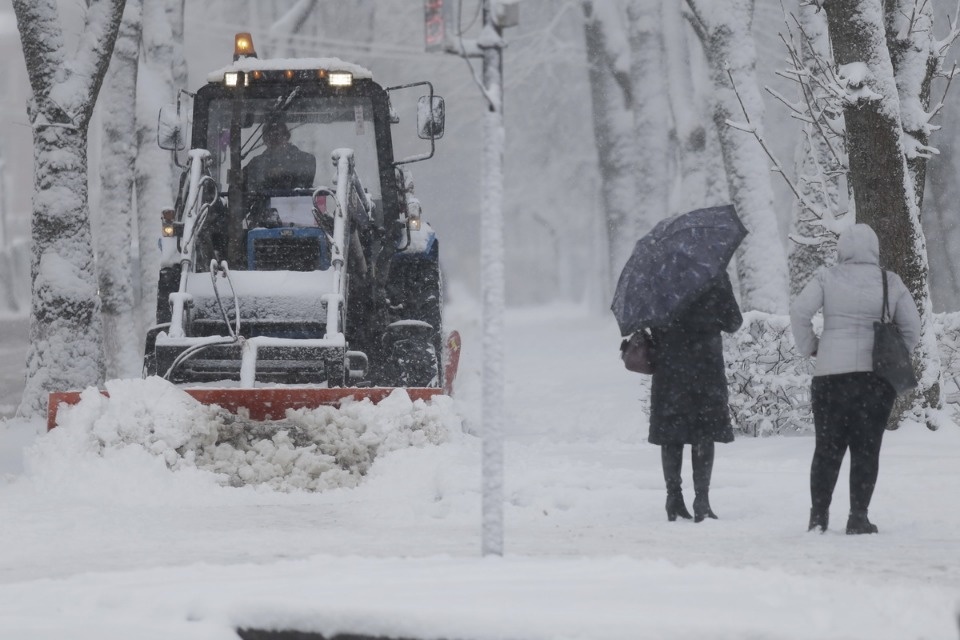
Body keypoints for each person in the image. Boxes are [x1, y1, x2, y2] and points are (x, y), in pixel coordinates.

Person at [790, 223, 920, 535]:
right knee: (867, 448)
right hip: (874, 379)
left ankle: (818, 517)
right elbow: (912, 327)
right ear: (875, 249)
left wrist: (812, 347)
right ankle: (858, 517)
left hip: (830, 376)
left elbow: (799, 312)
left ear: (842, 250)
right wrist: (895, 355)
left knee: (827, 448)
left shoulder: (826, 277)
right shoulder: (890, 281)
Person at [649, 271, 742, 522]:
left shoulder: (661, 276)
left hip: (670, 369)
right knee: (704, 431)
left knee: (671, 432)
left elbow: (652, 322)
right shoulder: (713, 274)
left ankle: (673, 498)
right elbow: (733, 321)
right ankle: (702, 499)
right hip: (705, 368)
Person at [243, 120, 317, 193]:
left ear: (287, 137)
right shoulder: (255, 163)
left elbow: (304, 184)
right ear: (264, 140)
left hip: (297, 200)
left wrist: (284, 172)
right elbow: (242, 186)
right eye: (268, 137)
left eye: (277, 135)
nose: (273, 140)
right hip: (262, 201)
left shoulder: (306, 160)